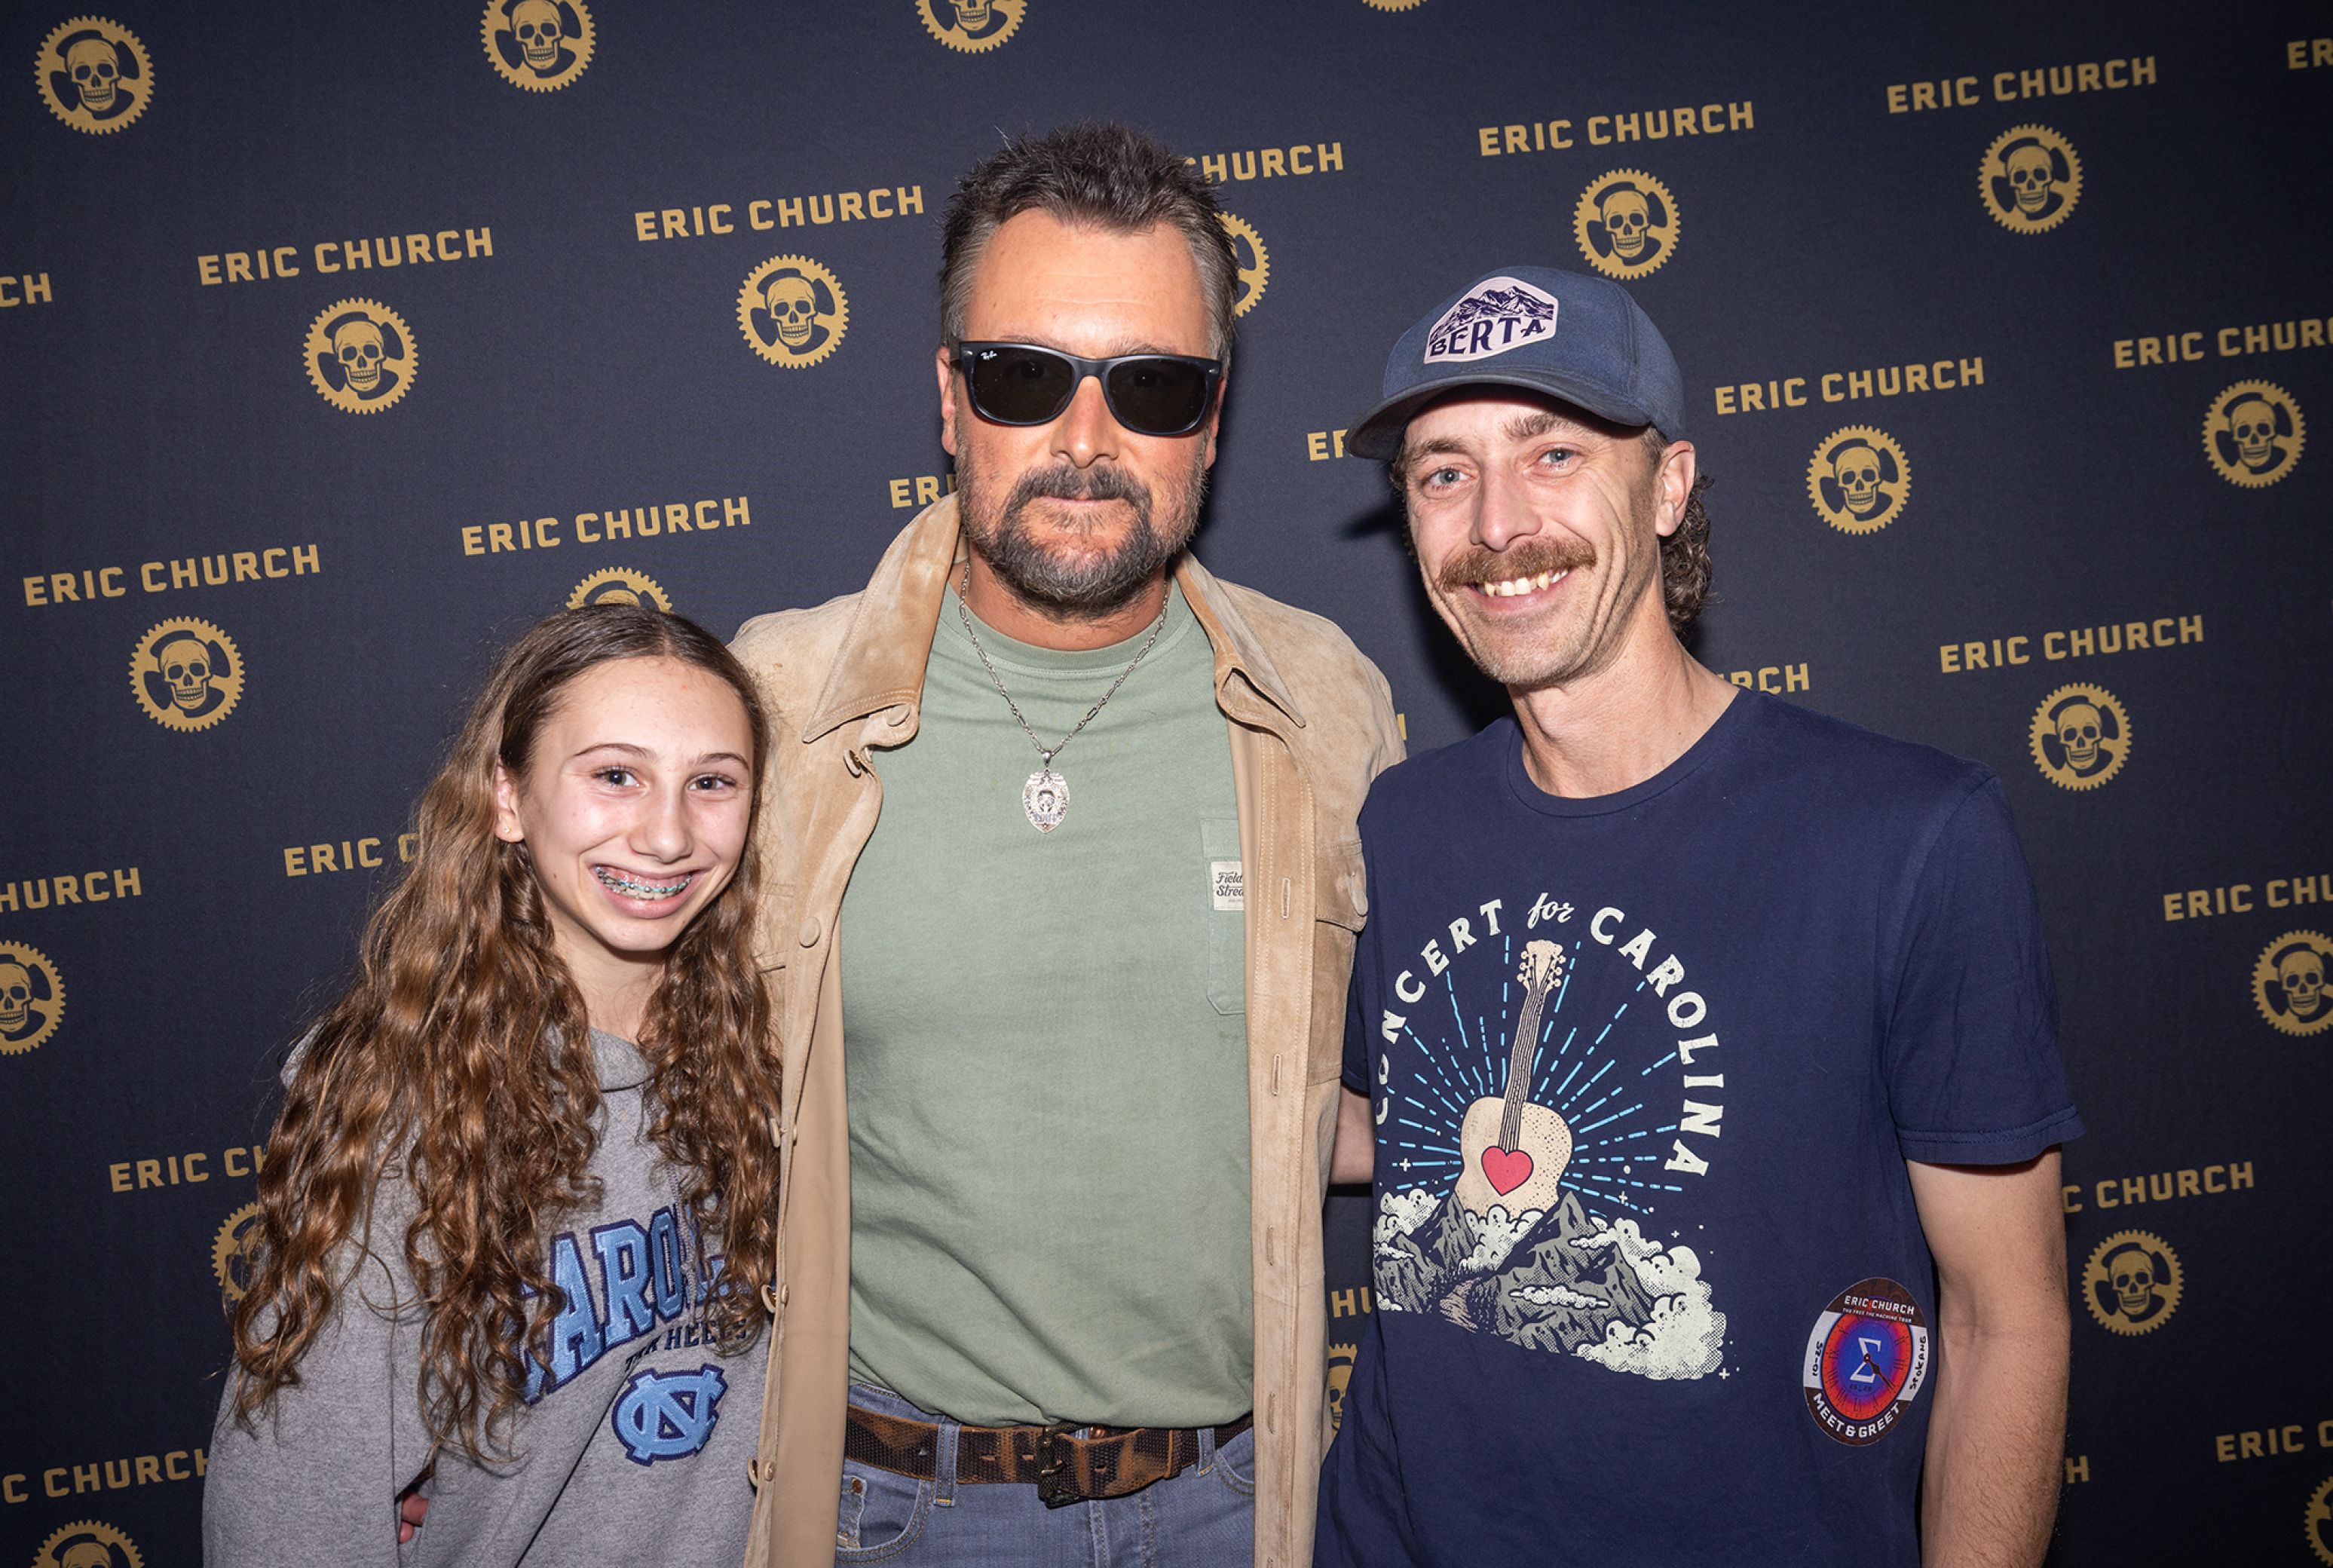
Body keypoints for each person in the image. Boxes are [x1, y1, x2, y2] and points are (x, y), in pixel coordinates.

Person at [1315, 265, 2081, 1566]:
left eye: (1553, 453)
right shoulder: (1399, 824)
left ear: (1667, 487)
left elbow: (2003, 1321)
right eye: (1444, 472)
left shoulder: (1909, 835)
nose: (1497, 522)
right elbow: (1375, 1130)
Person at [727, 124, 1401, 1566]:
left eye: (1150, 387)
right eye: (1026, 378)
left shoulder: (1326, 704)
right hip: (895, 1513)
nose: (1086, 442)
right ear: (951, 401)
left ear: (1211, 421)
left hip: (1244, 1505)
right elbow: (612, 1093)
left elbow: (1382, 1097)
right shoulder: (778, 705)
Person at [204, 605, 782, 1566]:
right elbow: (292, 1497)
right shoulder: (411, 1103)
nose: (667, 833)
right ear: (507, 797)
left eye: (712, 782)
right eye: (615, 775)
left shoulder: (771, 1057)